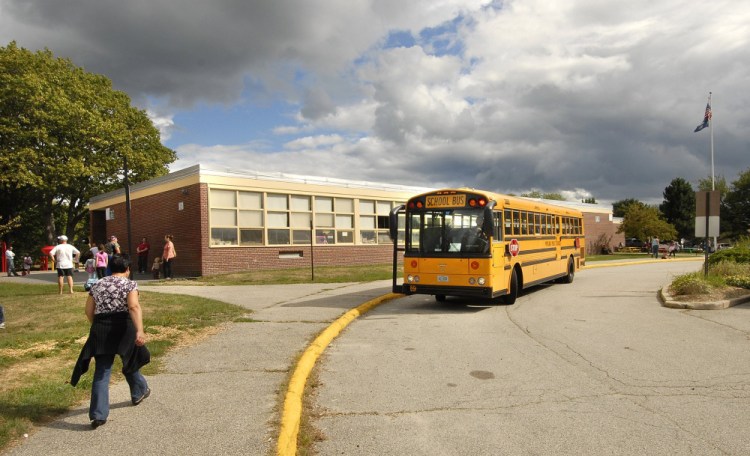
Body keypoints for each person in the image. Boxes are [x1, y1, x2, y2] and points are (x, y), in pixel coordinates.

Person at [70, 254, 151, 429]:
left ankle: (98, 415)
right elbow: (133, 306)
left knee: (102, 371)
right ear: (128, 269)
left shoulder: (97, 284)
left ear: (110, 268)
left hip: (101, 327)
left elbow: (88, 310)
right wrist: (140, 330)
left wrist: (97, 325)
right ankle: (139, 391)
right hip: (123, 327)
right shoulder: (130, 284)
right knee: (130, 362)